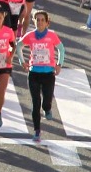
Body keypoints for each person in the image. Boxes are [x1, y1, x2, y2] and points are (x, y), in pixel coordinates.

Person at [21, 11, 65, 143]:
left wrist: (59, 65)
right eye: (37, 20)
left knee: (46, 100)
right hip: (34, 72)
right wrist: (22, 62)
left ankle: (47, 108)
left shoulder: (52, 36)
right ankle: (37, 131)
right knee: (35, 103)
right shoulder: (30, 36)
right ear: (34, 21)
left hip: (48, 73)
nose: (39, 22)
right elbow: (19, 46)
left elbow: (61, 49)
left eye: (42, 20)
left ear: (47, 22)